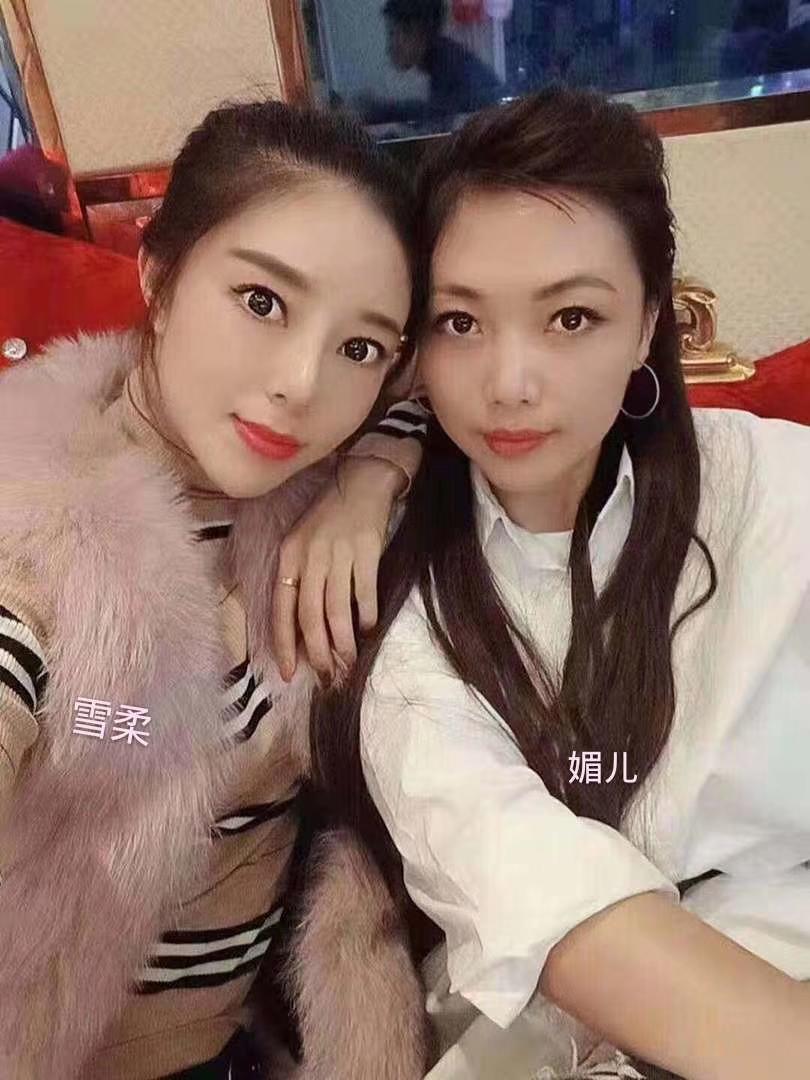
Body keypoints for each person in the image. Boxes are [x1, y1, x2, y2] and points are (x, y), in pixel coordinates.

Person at [285, 88, 810, 1078]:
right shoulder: (398, 594)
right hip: (547, 1027)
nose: (510, 383)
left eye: (572, 316)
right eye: (460, 322)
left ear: (649, 320)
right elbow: (526, 875)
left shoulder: (777, 492)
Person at [0, 98, 432, 1080]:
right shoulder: (35, 512)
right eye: (263, 302)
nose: (301, 383)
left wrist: (371, 479)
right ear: (158, 274)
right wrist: (115, 718)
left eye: (359, 347)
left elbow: (460, 395)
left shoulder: (310, 497)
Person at [359, 0, 501, 126]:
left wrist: (377, 112)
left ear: (417, 32)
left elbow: (435, 118)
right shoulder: (447, 59)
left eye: (392, 34)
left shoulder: (449, 66)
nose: (389, 48)